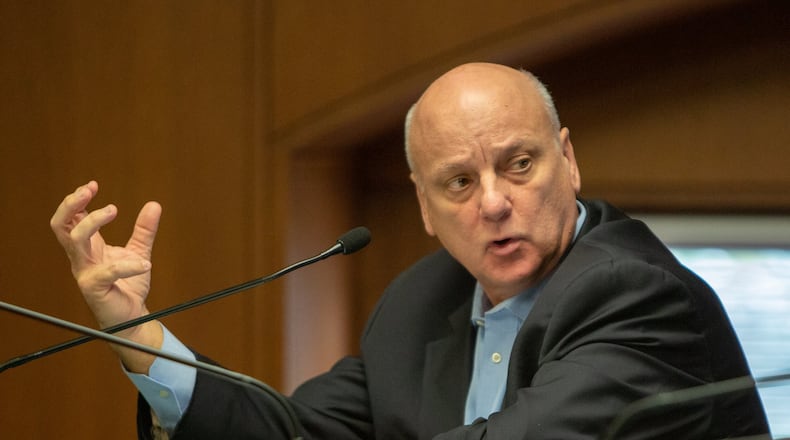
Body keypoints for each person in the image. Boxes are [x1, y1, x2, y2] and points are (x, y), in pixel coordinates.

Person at [51, 62, 770, 439]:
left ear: (568, 161)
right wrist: (137, 334)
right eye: (458, 182)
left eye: (518, 165)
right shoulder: (420, 305)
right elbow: (293, 431)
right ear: (424, 208)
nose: (492, 201)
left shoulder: (636, 294)